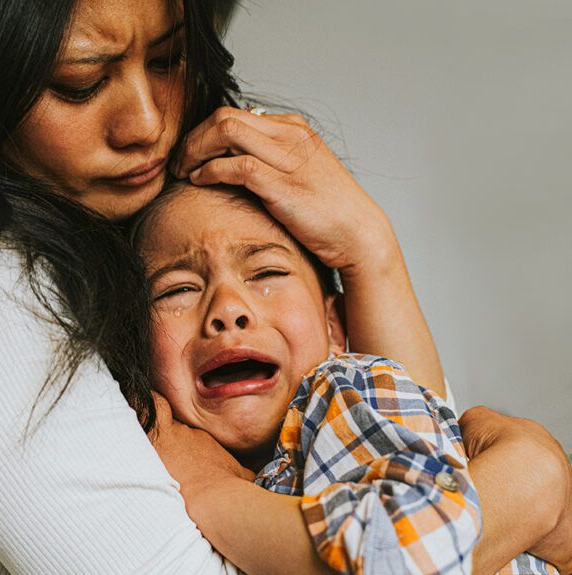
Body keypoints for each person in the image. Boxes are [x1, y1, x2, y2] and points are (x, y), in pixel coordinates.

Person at [0, 0, 572, 572]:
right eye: (80, 82)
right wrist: (530, 488)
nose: (148, 122)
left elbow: (412, 461)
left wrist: (369, 251)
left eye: (166, 60)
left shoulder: (133, 236)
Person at [132, 181, 557, 573]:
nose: (228, 309)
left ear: (334, 327)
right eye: (178, 290)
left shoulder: (347, 387)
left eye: (266, 274)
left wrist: (212, 490)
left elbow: (414, 549)